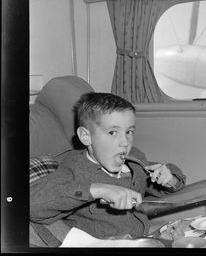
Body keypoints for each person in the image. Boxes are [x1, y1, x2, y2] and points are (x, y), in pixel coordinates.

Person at [30, 92, 186, 240]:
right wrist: (97, 189)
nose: (125, 143)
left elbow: (171, 181)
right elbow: (33, 204)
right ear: (86, 137)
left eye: (129, 132)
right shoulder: (73, 169)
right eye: (113, 132)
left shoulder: (135, 161)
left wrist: (169, 178)